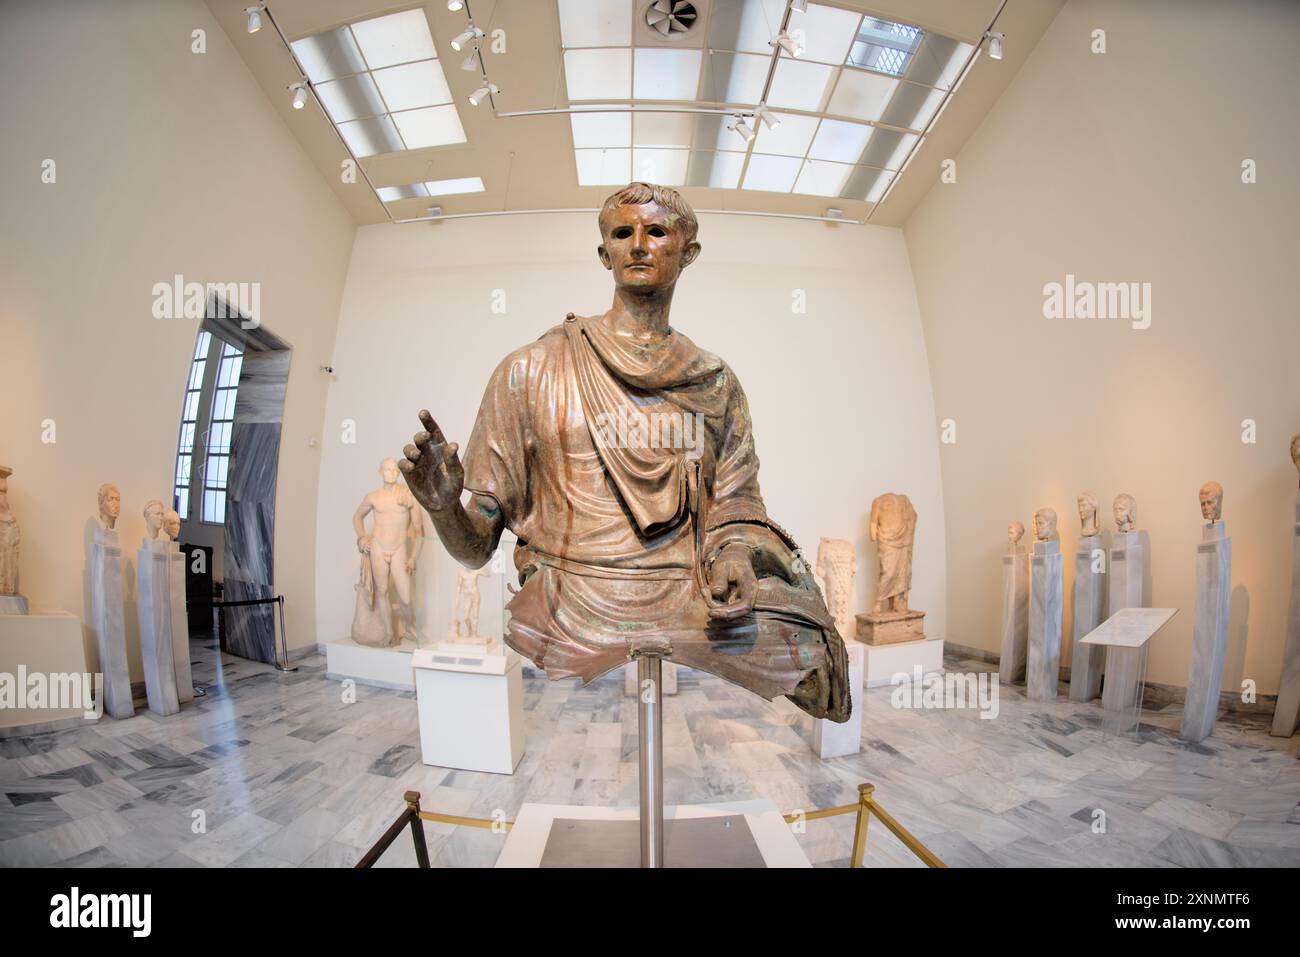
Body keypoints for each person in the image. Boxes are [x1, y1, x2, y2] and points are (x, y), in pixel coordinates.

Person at [399, 183, 849, 721]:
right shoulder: (532, 370)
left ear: (688, 252)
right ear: (604, 253)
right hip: (573, 593)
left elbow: (737, 502)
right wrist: (443, 507)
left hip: (692, 589)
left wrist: (732, 556)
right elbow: (476, 549)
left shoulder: (715, 382)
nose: (638, 244)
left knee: (815, 643)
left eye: (656, 232)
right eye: (622, 233)